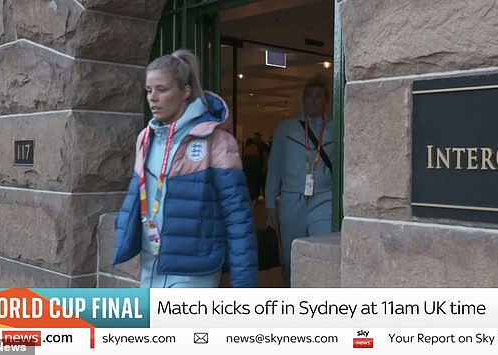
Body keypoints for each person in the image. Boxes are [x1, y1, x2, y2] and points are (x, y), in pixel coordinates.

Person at [113, 49, 257, 288]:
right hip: (151, 265)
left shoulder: (218, 141)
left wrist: (244, 283)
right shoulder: (145, 138)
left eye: (162, 89)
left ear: (185, 92)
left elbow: (238, 216)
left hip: (193, 271)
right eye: (149, 90)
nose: (152, 98)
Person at [265, 76, 333, 286]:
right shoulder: (286, 128)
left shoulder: (335, 128)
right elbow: (274, 167)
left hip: (324, 199)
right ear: (303, 100)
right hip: (291, 200)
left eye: (319, 97)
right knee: (290, 257)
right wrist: (269, 204)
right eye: (309, 96)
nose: (313, 101)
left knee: (324, 252)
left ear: (326, 101)